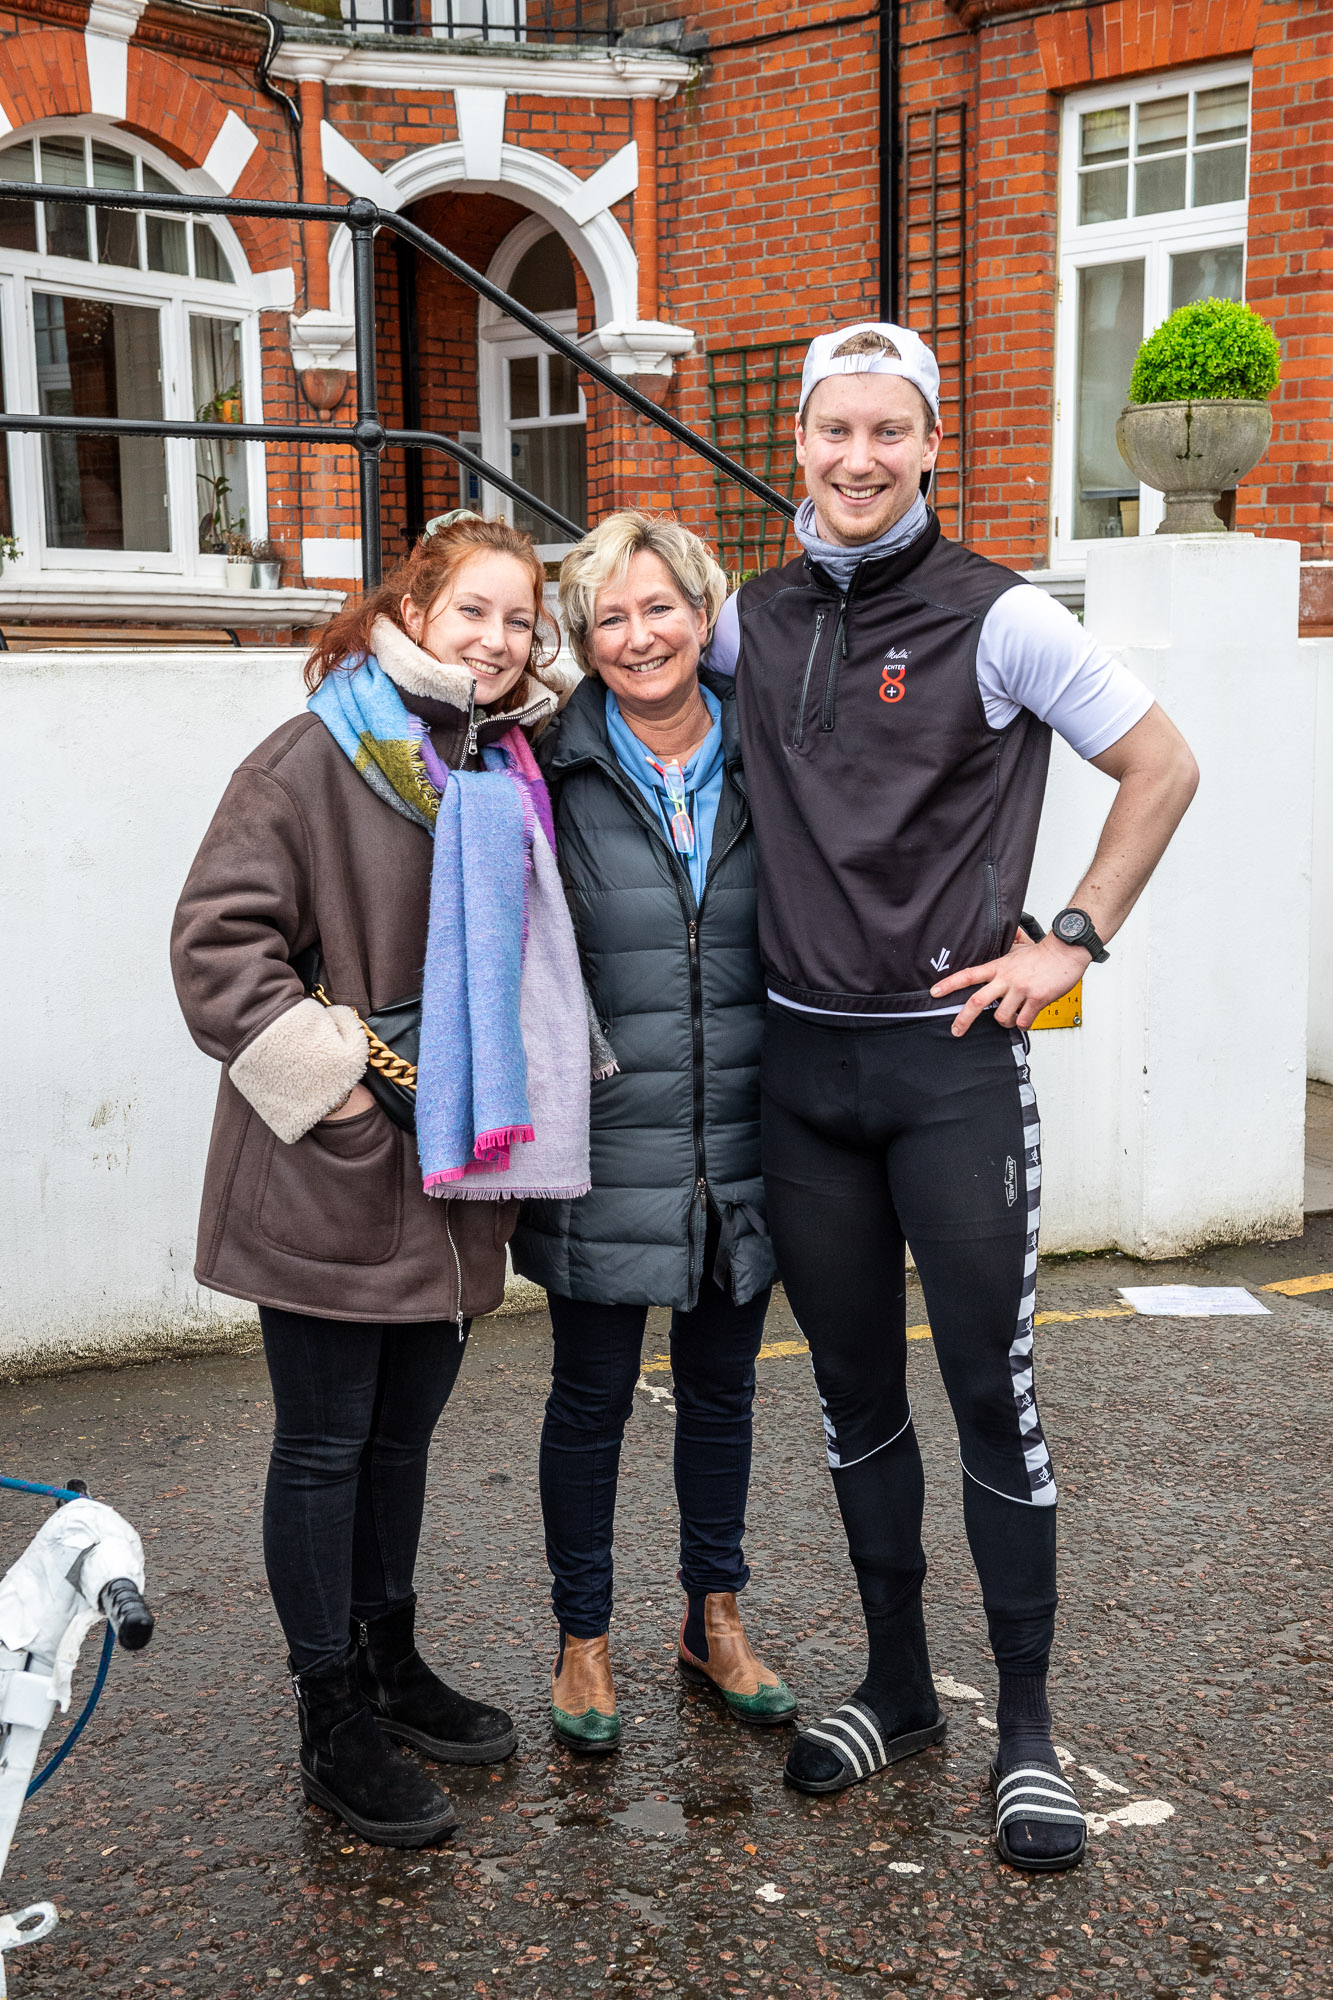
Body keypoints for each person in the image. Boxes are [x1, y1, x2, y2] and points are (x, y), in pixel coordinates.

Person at [708, 324, 1198, 1873]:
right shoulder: (749, 619)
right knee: (853, 1403)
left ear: (930, 447)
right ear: (799, 441)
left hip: (947, 1075)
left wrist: (1069, 939)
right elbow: (624, 664)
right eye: (832, 431)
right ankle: (900, 1689)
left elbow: (1163, 766)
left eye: (887, 433)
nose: (857, 459)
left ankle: (1028, 1732)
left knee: (992, 1397)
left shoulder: (999, 618)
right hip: (801, 1075)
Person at [171, 514, 590, 1847]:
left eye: (521, 620)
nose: (497, 639)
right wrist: (342, 1085)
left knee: (401, 1440)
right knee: (325, 1445)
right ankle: (328, 1712)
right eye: (473, 610)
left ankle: (390, 1663)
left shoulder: (501, 757)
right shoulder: (315, 752)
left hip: (454, 1173)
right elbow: (218, 947)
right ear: (412, 606)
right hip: (337, 1170)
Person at [511, 511, 798, 1752]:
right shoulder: (539, 763)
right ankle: (584, 1639)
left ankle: (713, 1617)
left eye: (659, 608)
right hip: (604, 1131)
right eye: (609, 617)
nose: (638, 637)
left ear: (703, 610)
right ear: (582, 638)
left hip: (744, 1127)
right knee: (588, 1398)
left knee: (723, 1391)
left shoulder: (776, 750)